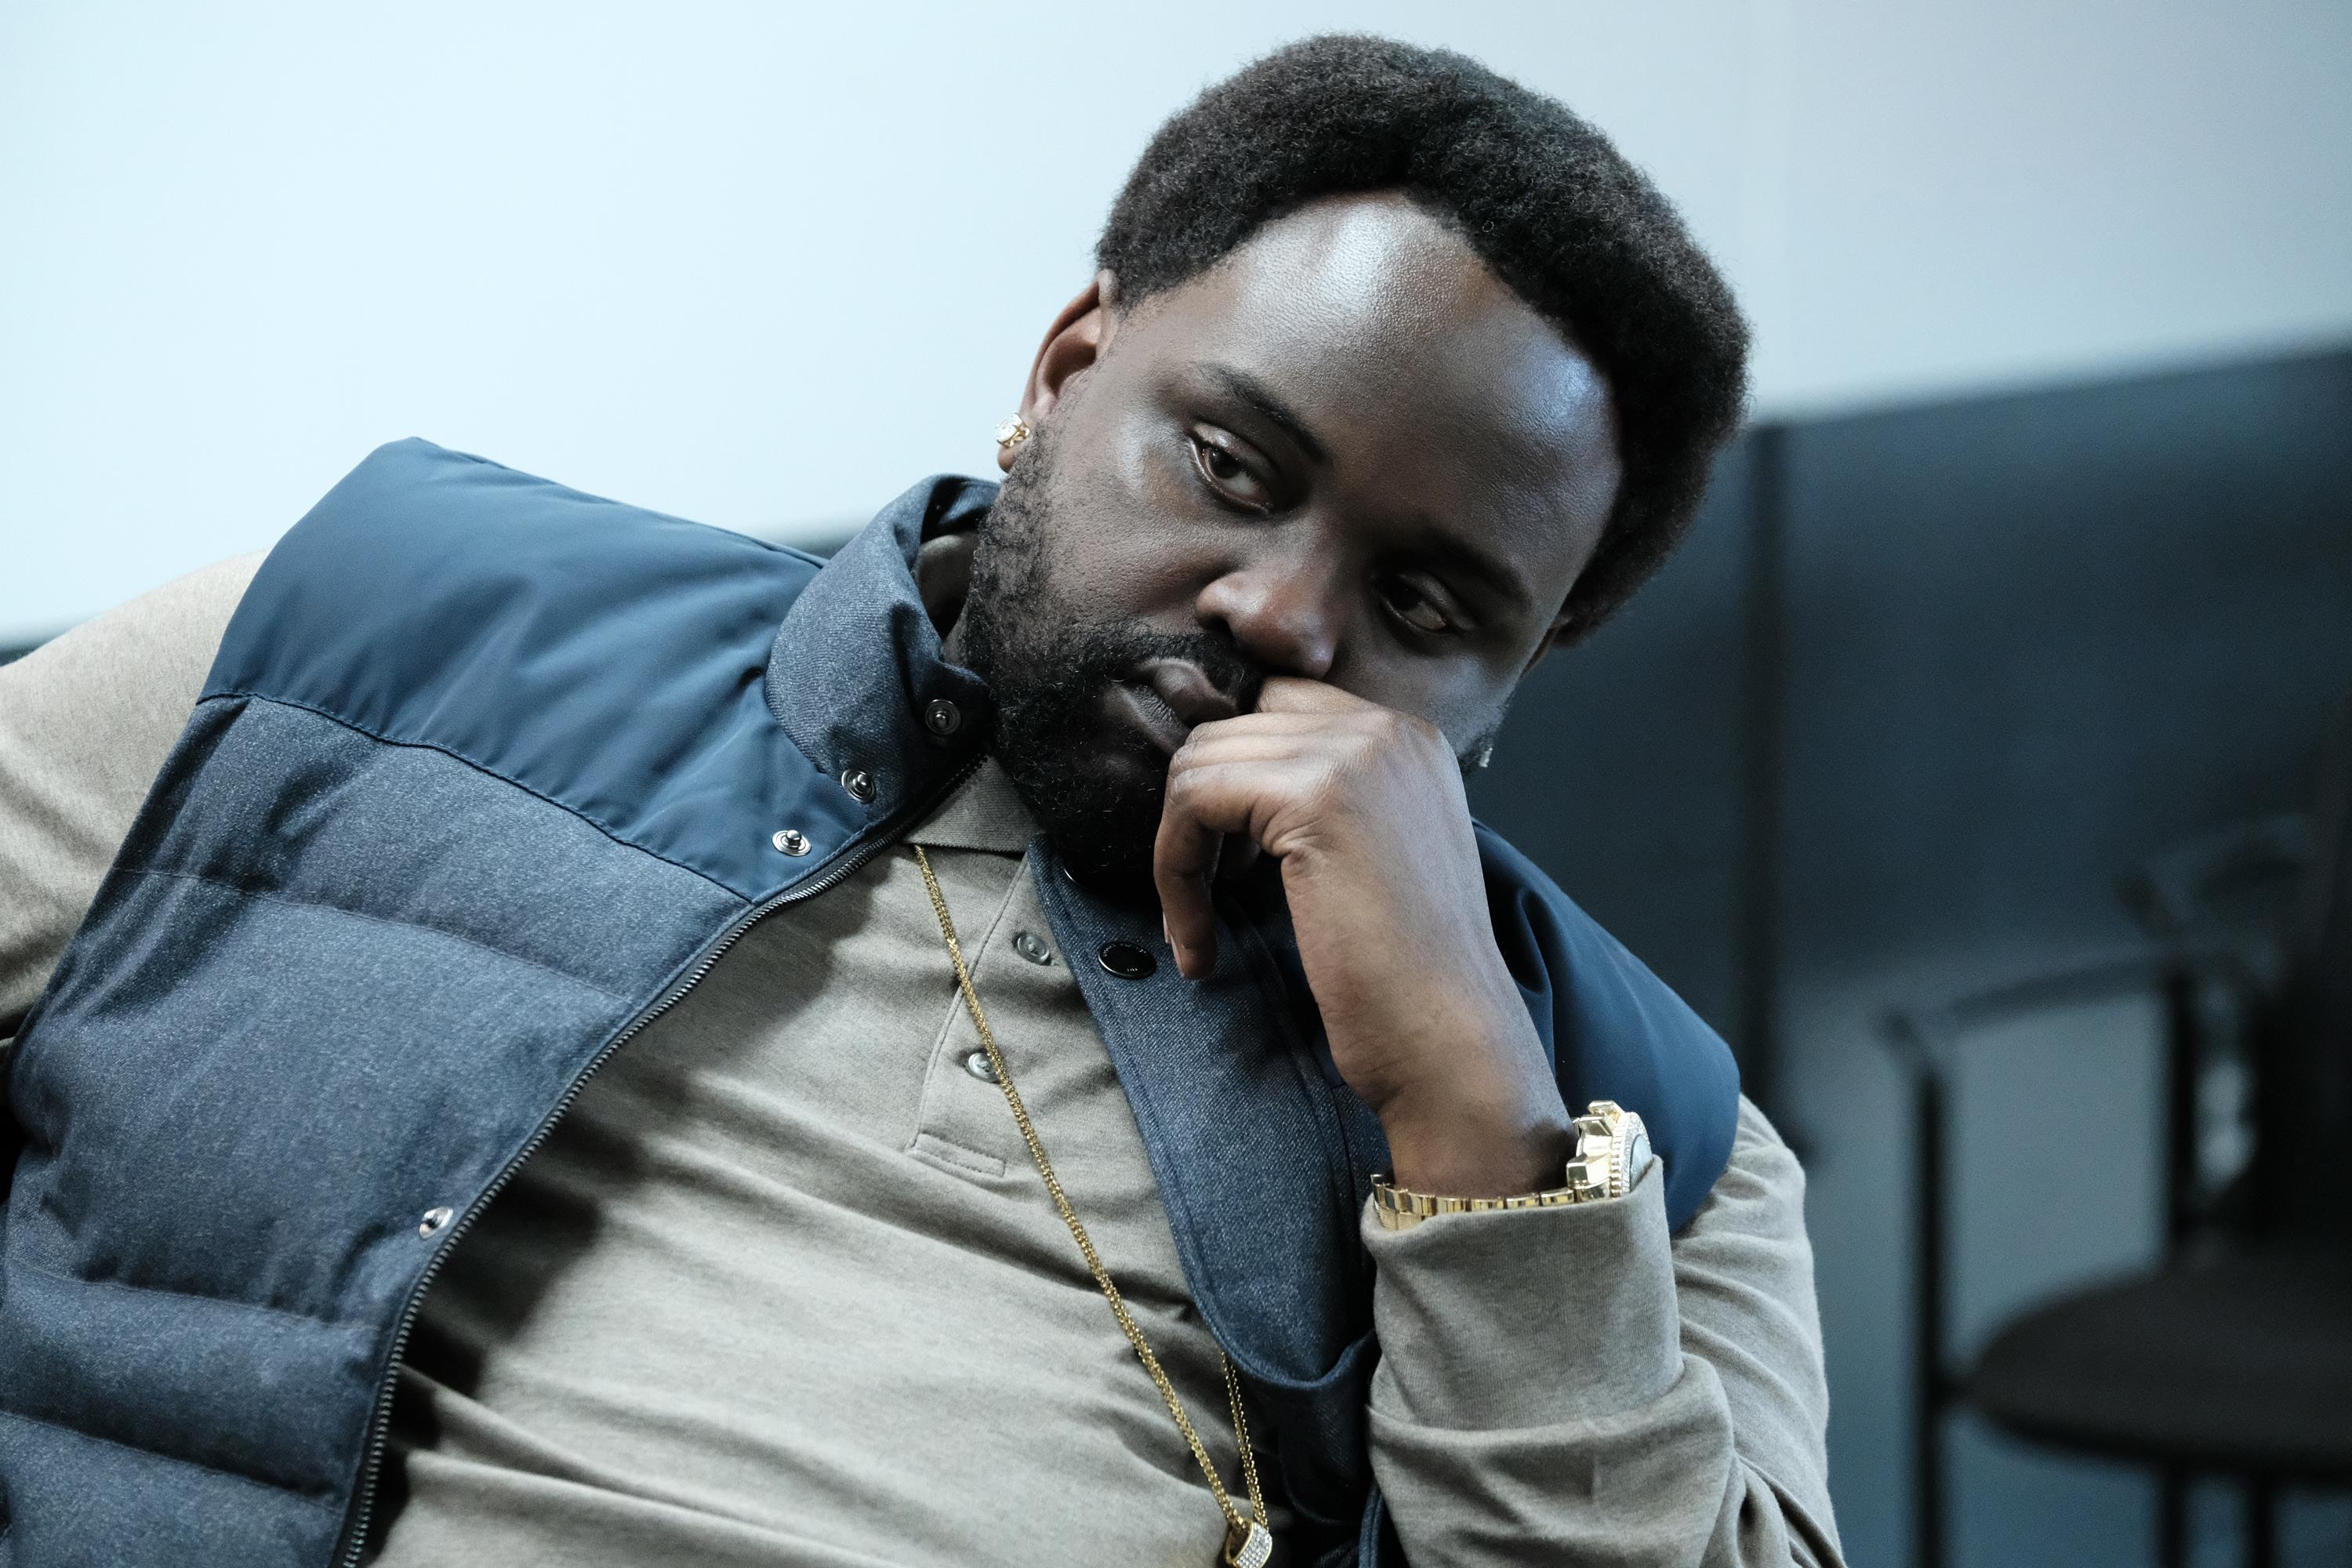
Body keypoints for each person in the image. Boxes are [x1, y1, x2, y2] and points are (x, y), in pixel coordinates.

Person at [0, 33, 1839, 1568]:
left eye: (1427, 607)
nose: (1283, 614)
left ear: (1515, 677)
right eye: (1227, 460)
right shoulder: (367, 644)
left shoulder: (1652, 1140)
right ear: (1065, 373)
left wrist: (1478, 1125)